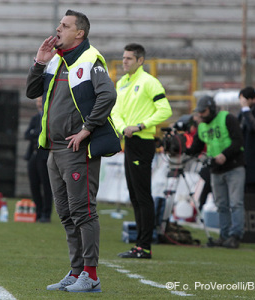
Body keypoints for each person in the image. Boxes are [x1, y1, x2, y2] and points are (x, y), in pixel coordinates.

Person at [26, 9, 120, 293]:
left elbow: (108, 95)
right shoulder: (56, 60)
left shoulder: (91, 60)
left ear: (80, 32)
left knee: (84, 212)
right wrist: (39, 62)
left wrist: (87, 129)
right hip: (54, 149)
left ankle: (90, 276)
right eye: (59, 24)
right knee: (66, 214)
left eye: (65, 26)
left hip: (78, 149)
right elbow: (32, 92)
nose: (58, 29)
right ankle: (76, 270)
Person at [111, 43, 172, 259]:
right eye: (124, 57)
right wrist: (122, 128)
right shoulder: (122, 83)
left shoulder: (149, 82)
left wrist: (139, 126)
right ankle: (139, 245)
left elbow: (165, 109)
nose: (124, 61)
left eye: (129, 58)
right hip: (129, 142)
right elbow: (115, 111)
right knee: (135, 195)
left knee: (142, 195)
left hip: (143, 142)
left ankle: (145, 246)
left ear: (140, 61)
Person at [187, 95, 245, 249]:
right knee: (221, 205)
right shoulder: (201, 126)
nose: (201, 115)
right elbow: (195, 148)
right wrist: (180, 146)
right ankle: (224, 236)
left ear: (211, 109)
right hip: (215, 170)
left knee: (236, 203)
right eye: (200, 112)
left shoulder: (227, 118)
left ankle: (235, 236)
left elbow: (238, 140)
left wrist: (225, 155)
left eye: (203, 111)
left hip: (234, 167)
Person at [24, 96, 53, 223]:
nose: (39, 104)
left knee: (46, 185)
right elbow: (27, 134)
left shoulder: (50, 118)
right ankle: (38, 211)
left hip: (45, 155)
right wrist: (37, 132)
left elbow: (45, 134)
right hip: (34, 154)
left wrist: (34, 132)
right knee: (34, 184)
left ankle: (46, 213)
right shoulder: (35, 118)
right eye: (38, 101)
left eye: (41, 101)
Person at [238, 87, 255, 194]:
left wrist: (246, 109)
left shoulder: (247, 112)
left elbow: (253, 127)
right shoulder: (243, 113)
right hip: (245, 161)